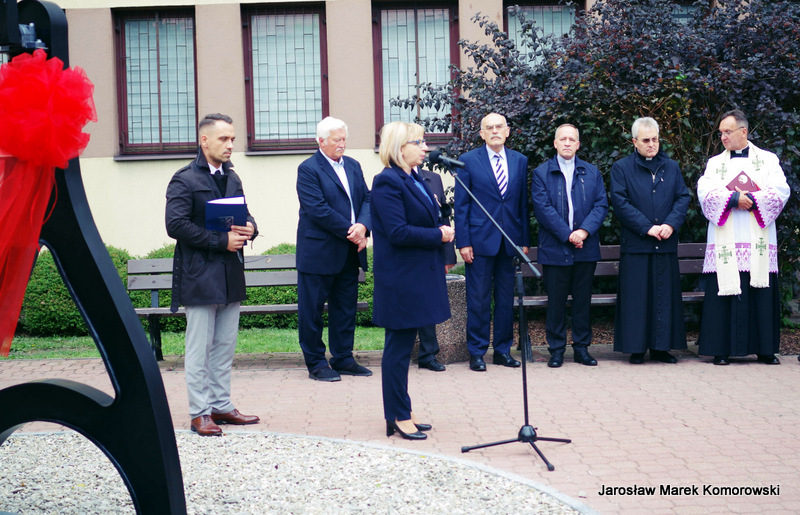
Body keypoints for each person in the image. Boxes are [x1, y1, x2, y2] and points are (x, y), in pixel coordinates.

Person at [166, 113, 260, 436]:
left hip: (230, 274)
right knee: (199, 349)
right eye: (224, 139)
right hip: (199, 276)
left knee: (224, 347)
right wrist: (221, 241)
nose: (230, 144)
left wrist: (251, 227)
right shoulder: (184, 179)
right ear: (204, 141)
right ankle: (200, 412)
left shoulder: (232, 177)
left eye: (232, 138)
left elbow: (245, 214)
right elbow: (175, 225)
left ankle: (220, 405)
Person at [371, 121, 453, 440]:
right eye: (418, 142)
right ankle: (396, 415)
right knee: (398, 348)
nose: (425, 148)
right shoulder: (387, 181)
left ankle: (403, 407)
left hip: (418, 276)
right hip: (401, 280)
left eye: (424, 142)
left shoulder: (416, 178)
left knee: (405, 347)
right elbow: (397, 232)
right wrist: (438, 235)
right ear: (399, 147)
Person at [697, 109, 790, 365]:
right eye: (721, 133)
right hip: (726, 242)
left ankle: (765, 350)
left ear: (744, 131)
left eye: (728, 132)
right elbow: (705, 192)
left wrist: (752, 200)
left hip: (758, 239)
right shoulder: (715, 163)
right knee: (724, 292)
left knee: (759, 291)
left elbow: (781, 190)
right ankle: (721, 350)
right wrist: (733, 198)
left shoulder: (768, 160)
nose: (723, 137)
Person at [296, 117, 372, 382]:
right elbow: (317, 209)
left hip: (349, 252)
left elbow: (367, 198)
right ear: (321, 141)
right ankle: (316, 363)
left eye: (344, 139)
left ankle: (343, 358)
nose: (342, 144)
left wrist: (363, 225)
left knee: (345, 309)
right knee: (312, 312)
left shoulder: (353, 165)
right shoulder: (308, 169)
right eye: (336, 140)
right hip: (319, 252)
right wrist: (353, 231)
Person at [610, 117, 691, 364]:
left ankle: (661, 348)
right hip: (637, 245)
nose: (652, 144)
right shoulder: (621, 168)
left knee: (663, 298)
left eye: (655, 139)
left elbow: (682, 197)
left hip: (665, 243)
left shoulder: (671, 167)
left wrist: (670, 224)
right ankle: (636, 348)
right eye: (646, 140)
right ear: (634, 142)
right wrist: (647, 227)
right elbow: (620, 203)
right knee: (636, 299)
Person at [454, 113, 530, 372]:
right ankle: (477, 352)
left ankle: (502, 351)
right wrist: (463, 242)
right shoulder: (467, 161)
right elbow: (461, 205)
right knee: (478, 299)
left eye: (499, 127)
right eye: (490, 127)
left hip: (509, 241)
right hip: (479, 242)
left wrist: (523, 240)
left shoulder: (520, 160)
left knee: (506, 299)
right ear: (482, 133)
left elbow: (521, 204)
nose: (495, 131)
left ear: (507, 131)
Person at [531, 124, 608, 368]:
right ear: (555, 143)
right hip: (555, 248)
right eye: (562, 139)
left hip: (586, 247)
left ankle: (581, 349)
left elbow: (601, 205)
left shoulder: (591, 172)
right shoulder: (542, 173)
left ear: (578, 144)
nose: (567, 143)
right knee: (556, 302)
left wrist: (583, 232)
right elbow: (543, 209)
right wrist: (568, 235)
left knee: (582, 301)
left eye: (571, 139)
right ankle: (556, 350)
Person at [415, 166, 457, 372]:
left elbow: (444, 219)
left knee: (429, 302)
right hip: (408, 252)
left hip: (432, 252)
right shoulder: (389, 178)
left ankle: (428, 354)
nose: (423, 150)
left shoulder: (433, 178)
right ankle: (401, 351)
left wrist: (448, 255)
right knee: (407, 304)